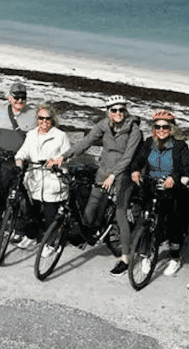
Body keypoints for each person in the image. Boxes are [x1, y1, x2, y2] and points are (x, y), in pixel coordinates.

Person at [55, 94, 142, 275]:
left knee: (120, 214)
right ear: (108, 112)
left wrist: (114, 175)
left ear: (125, 111)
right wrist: (64, 156)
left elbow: (128, 157)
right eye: (114, 110)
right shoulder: (104, 125)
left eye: (121, 109)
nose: (118, 113)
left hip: (122, 176)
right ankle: (88, 236)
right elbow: (85, 142)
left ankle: (125, 258)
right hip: (103, 172)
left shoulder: (134, 131)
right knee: (91, 206)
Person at [129, 110, 189, 276]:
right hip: (151, 186)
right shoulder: (149, 142)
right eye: (157, 126)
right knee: (149, 220)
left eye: (165, 126)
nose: (161, 129)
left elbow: (187, 168)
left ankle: (175, 257)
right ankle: (147, 253)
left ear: (171, 129)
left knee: (174, 225)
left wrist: (174, 177)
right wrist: (135, 170)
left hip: (171, 190)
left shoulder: (180, 146)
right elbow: (138, 159)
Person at [12, 103, 71, 252]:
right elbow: (23, 151)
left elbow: (68, 156)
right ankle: (32, 237)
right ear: (37, 118)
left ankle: (51, 243)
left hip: (53, 180)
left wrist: (56, 161)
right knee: (32, 211)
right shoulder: (31, 134)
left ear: (52, 119)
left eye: (47, 118)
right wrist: (19, 160)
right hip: (35, 178)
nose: (44, 122)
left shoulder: (60, 136)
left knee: (51, 215)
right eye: (41, 118)